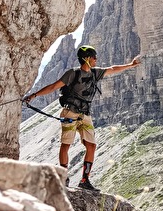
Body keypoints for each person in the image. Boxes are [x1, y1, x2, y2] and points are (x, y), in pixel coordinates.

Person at [24, 45, 141, 190]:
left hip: (85, 114)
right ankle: (63, 177)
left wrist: (131, 65)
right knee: (66, 145)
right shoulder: (72, 73)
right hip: (70, 113)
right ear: (86, 59)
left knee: (91, 145)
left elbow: (112, 69)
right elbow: (53, 86)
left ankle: (84, 181)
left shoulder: (95, 73)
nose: (96, 59)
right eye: (94, 57)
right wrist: (34, 95)